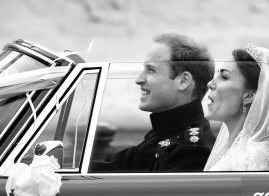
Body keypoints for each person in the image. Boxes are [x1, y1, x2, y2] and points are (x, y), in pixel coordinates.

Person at [91, 33, 216, 172]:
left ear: (184, 81)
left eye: (151, 70)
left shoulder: (192, 150)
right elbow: (112, 166)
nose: (139, 79)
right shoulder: (163, 133)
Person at [204, 44, 269, 171]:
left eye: (224, 77)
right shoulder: (233, 149)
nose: (210, 84)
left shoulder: (253, 157)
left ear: (250, 95)